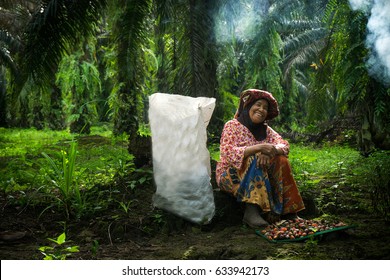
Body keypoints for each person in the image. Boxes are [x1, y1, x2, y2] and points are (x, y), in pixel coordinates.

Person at [215, 89, 305, 227]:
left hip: (260, 174)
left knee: (281, 160)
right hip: (231, 175)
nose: (261, 110)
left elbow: (284, 145)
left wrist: (271, 150)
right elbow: (228, 152)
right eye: (258, 105)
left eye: (265, 108)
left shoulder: (266, 130)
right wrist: (259, 148)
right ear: (249, 106)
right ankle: (251, 211)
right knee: (254, 157)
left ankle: (289, 211)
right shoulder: (232, 126)